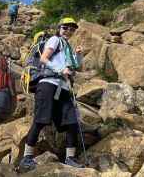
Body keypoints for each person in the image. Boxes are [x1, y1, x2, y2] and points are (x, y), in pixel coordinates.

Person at [18, 17, 84, 172]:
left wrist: (78, 55)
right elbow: (44, 58)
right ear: (59, 28)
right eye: (65, 28)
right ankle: (26, 158)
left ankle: (70, 158)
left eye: (72, 29)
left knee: (72, 123)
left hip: (64, 88)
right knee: (41, 120)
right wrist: (61, 70)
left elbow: (75, 66)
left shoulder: (67, 46)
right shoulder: (55, 40)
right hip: (48, 84)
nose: (69, 31)